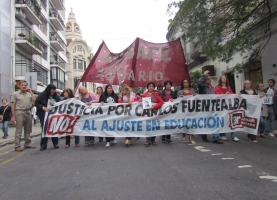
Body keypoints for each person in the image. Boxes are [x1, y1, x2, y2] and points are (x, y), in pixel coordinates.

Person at [197, 70, 223, 144]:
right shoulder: (203, 87)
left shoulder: (212, 88)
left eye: (210, 79)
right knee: (205, 122)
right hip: (205, 107)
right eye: (208, 79)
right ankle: (204, 135)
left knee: (216, 121)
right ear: (205, 80)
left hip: (213, 107)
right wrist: (203, 75)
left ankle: (216, 137)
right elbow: (199, 82)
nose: (209, 80)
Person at [11, 80, 36, 151]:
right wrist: (13, 116)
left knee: (28, 129)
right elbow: (13, 105)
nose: (24, 86)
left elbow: (34, 100)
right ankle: (17, 145)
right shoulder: (15, 94)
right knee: (19, 130)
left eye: (25, 85)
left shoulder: (28, 94)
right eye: (22, 85)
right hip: (19, 111)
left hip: (28, 111)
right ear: (19, 86)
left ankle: (27, 143)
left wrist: (31, 92)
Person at [35, 84, 60, 150]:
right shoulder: (42, 95)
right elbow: (36, 103)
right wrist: (43, 107)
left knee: (53, 128)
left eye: (54, 90)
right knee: (45, 128)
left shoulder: (56, 96)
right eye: (52, 90)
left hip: (53, 115)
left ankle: (55, 143)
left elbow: (60, 103)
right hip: (43, 114)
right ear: (49, 89)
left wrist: (55, 104)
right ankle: (43, 145)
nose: (53, 91)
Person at [215, 75, 239, 142]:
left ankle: (233, 135)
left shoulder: (228, 87)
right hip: (222, 107)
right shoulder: (217, 87)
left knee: (232, 120)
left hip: (229, 106)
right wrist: (225, 94)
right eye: (223, 78)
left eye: (225, 78)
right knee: (223, 120)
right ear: (220, 79)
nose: (224, 79)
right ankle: (222, 135)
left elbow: (231, 95)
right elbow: (217, 96)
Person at [141, 82, 164, 147]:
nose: (151, 87)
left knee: (154, 126)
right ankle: (148, 140)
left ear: (154, 87)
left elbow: (161, 102)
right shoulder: (144, 95)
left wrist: (155, 106)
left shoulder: (156, 94)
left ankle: (153, 140)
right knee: (148, 126)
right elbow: (141, 102)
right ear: (147, 87)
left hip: (154, 113)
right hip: (147, 113)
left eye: (152, 86)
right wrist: (140, 100)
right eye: (149, 86)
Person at [177, 79, 196, 145]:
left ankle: (190, 139)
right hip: (184, 110)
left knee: (191, 123)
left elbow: (196, 98)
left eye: (187, 82)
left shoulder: (192, 91)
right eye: (184, 82)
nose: (186, 84)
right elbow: (177, 101)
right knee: (185, 123)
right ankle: (184, 135)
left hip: (191, 109)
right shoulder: (180, 92)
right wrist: (180, 97)